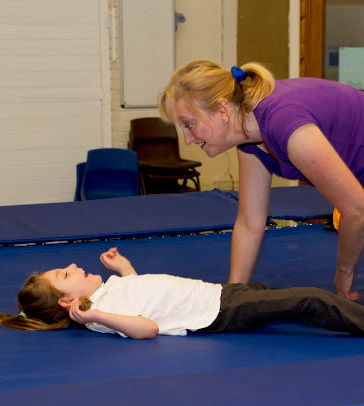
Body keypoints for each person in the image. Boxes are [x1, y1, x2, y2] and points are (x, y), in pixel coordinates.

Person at [158, 60, 364, 301]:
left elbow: (357, 210)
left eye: (189, 125)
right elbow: (249, 222)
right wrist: (231, 296)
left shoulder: (284, 124)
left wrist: (344, 272)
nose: (187, 140)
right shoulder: (249, 137)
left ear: (223, 111)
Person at [2, 247, 364, 338]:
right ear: (68, 302)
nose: (75, 266)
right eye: (66, 274)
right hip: (221, 312)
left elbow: (142, 295)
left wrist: (124, 268)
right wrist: (94, 315)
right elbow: (147, 327)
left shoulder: (111, 293)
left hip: (220, 294)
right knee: (308, 300)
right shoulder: (100, 315)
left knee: (282, 298)